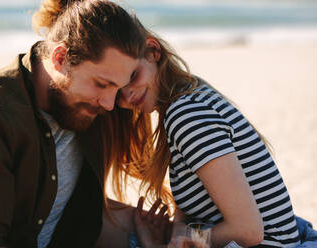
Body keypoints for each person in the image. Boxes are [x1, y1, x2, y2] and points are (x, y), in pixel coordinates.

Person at [0, 0, 147, 247]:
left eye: (119, 87)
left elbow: (166, 81)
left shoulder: (90, 106)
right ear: (60, 58)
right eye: (101, 84)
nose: (108, 103)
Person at [100, 28, 304, 247]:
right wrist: (174, 234)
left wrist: (177, 239)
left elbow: (248, 231)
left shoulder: (185, 114)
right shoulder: (189, 95)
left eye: (132, 76)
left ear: (153, 51)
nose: (128, 94)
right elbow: (188, 217)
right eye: (118, 91)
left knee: (95, 225)